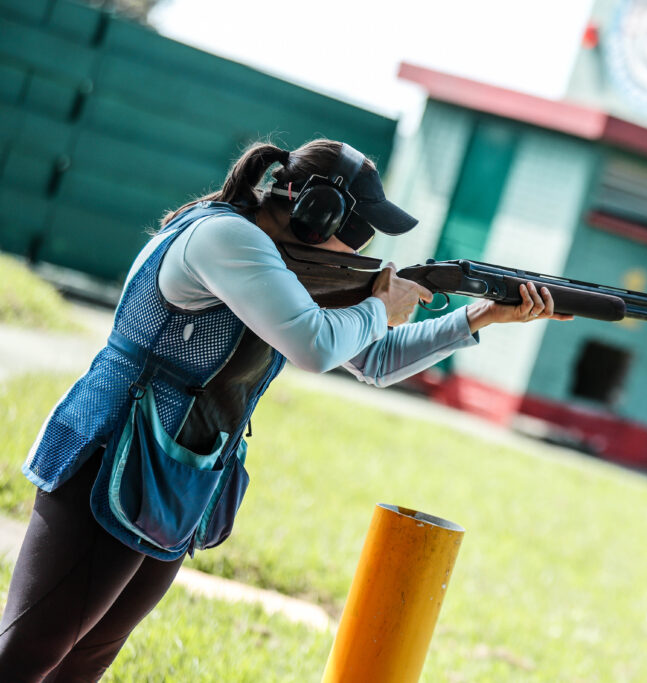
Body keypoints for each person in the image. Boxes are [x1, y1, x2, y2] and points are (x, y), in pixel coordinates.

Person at [0, 138, 570, 680]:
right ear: (316, 211)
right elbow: (315, 344)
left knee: (82, 666)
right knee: (27, 658)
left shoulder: (272, 259)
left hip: (180, 469)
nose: (364, 249)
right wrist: (380, 309)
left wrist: (479, 318)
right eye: (358, 230)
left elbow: (374, 360)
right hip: (116, 450)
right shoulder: (227, 238)